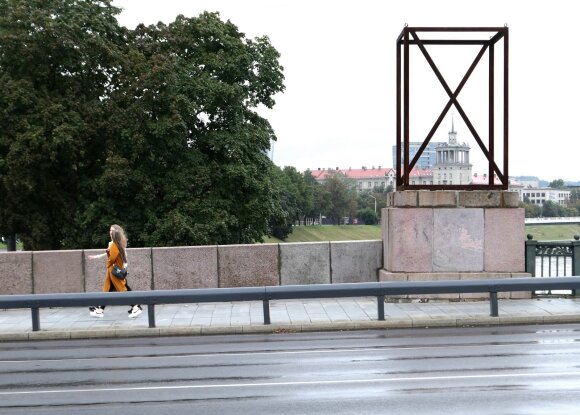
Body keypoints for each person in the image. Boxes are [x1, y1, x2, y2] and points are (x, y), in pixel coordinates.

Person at [87, 224, 142, 318]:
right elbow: (110, 254)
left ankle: (136, 307)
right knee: (107, 289)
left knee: (122, 289)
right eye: (110, 230)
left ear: (116, 232)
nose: (110, 232)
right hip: (113, 270)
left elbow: (112, 258)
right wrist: (95, 257)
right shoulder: (115, 243)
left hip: (114, 270)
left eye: (111, 231)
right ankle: (100, 310)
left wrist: (111, 265)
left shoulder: (114, 245)